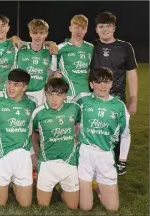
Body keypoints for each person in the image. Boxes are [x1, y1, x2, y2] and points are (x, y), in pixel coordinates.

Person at [73, 67, 131, 212]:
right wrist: (75, 131)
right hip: (85, 153)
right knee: (86, 207)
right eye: (98, 82)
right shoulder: (82, 98)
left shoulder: (119, 106)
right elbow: (69, 112)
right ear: (91, 84)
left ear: (112, 84)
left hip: (105, 156)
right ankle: (71, 184)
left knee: (112, 208)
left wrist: (122, 160)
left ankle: (97, 184)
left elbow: (125, 134)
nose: (102, 86)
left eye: (106, 82)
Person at [91, 11, 138, 163]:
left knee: (118, 133)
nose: (105, 29)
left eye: (108, 26)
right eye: (101, 26)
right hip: (94, 99)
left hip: (117, 99)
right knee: (95, 132)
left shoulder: (125, 47)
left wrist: (133, 99)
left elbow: (131, 74)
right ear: (96, 29)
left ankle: (117, 164)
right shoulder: (91, 47)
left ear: (114, 28)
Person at [0, 69, 36, 207]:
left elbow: (32, 131)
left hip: (23, 155)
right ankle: (6, 182)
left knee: (26, 205)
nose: (11, 87)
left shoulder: (32, 103)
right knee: (0, 204)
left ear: (25, 87)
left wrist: (33, 153)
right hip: (2, 155)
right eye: (9, 83)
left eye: (16, 84)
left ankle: (15, 183)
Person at [31, 78, 80, 209]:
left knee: (73, 207)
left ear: (65, 96)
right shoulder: (38, 113)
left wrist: (77, 137)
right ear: (45, 93)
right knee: (43, 206)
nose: (54, 99)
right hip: (47, 163)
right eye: (50, 94)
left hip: (69, 162)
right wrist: (36, 153)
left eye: (58, 95)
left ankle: (62, 189)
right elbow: (31, 134)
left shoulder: (74, 108)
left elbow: (79, 123)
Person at [16, 19, 58, 107]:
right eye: (35, 33)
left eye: (41, 33)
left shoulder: (50, 52)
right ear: (30, 33)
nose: (38, 36)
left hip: (40, 94)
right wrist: (13, 37)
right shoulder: (20, 49)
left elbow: (52, 72)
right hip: (21, 93)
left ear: (46, 34)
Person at [56, 14, 94, 100]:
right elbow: (51, 69)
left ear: (86, 30)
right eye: (76, 27)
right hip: (67, 95)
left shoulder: (91, 48)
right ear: (70, 28)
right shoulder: (60, 48)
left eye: (83, 28)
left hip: (86, 94)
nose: (79, 31)